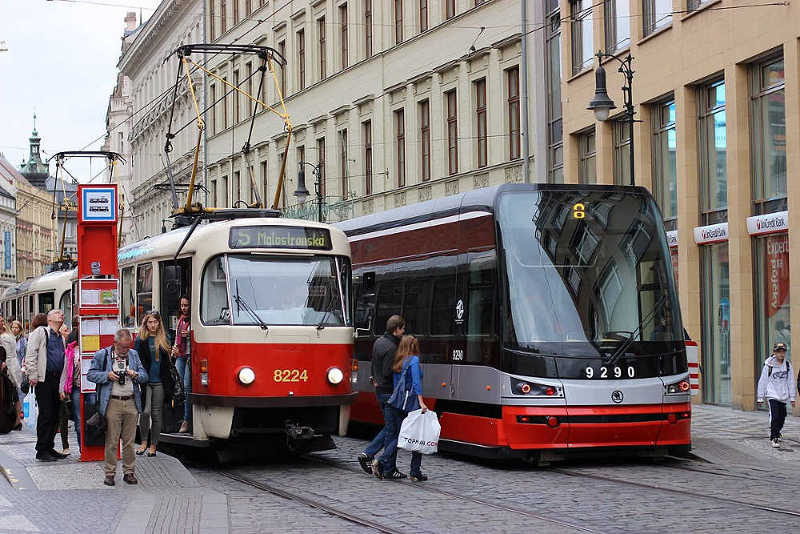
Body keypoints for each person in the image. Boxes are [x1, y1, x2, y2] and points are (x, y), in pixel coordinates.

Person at [87, 329, 148, 486]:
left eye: (128, 347)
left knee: (129, 441)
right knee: (112, 440)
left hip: (131, 402)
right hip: (112, 402)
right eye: (122, 347)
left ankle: (129, 472)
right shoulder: (103, 355)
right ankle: (110, 473)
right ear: (115, 344)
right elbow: (91, 374)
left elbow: (144, 376)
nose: (125, 351)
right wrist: (107, 375)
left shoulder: (133, 355)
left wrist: (135, 374)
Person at [357, 315, 406, 479]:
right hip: (389, 392)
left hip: (380, 392)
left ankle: (388, 467)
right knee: (394, 430)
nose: (404, 331)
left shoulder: (379, 342)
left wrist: (374, 379)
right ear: (396, 329)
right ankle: (370, 455)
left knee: (392, 429)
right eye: (402, 328)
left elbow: (373, 364)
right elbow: (387, 372)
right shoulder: (392, 347)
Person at [376, 335, 429, 481]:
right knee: (416, 436)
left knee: (400, 435)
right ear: (413, 346)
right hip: (411, 404)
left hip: (397, 404)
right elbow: (416, 383)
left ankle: (383, 461)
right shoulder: (414, 360)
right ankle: (413, 470)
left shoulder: (399, 361)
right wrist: (421, 402)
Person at [24, 309, 68, 462]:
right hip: (44, 379)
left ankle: (49, 446)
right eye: (57, 313)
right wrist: (33, 375)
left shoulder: (60, 338)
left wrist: (62, 385)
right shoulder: (41, 332)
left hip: (56, 379)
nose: (61, 315)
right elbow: (31, 353)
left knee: (55, 414)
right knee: (46, 414)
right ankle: (41, 449)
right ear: (49, 319)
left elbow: (63, 360)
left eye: (62, 313)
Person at [134, 310, 174, 457]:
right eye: (150, 322)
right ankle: (143, 441)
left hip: (160, 381)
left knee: (156, 414)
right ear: (146, 323)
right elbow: (135, 360)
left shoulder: (165, 338)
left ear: (159, 323)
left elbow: (168, 361)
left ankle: (153, 445)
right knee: (145, 412)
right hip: (146, 381)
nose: (153, 325)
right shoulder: (140, 340)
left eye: (155, 322)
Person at [757, 342, 797, 448]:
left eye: (783, 352)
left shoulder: (788, 365)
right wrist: (760, 397)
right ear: (774, 353)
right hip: (772, 394)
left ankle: (777, 431)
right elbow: (763, 381)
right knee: (775, 416)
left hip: (783, 396)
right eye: (779, 352)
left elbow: (791, 382)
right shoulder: (769, 365)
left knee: (782, 417)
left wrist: (792, 398)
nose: (781, 354)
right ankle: (774, 437)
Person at [59, 320, 81, 452]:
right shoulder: (70, 349)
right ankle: (75, 447)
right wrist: (63, 388)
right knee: (71, 416)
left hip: (83, 386)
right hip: (73, 386)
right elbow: (66, 371)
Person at [171, 296, 192, 434]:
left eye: (186, 305)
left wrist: (189, 334)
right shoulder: (180, 320)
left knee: (187, 386)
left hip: (189, 355)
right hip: (180, 355)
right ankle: (180, 416)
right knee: (179, 385)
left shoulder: (194, 320)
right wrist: (174, 349)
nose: (183, 308)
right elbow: (177, 337)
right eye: (182, 305)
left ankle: (187, 420)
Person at [0, 316, 21, 431]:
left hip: (8, 370)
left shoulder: (3, 338)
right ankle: (17, 420)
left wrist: (7, 371)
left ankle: (15, 419)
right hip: (12, 367)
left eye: (2, 321)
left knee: (12, 395)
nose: (2, 322)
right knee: (14, 395)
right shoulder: (9, 335)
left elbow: (6, 356)